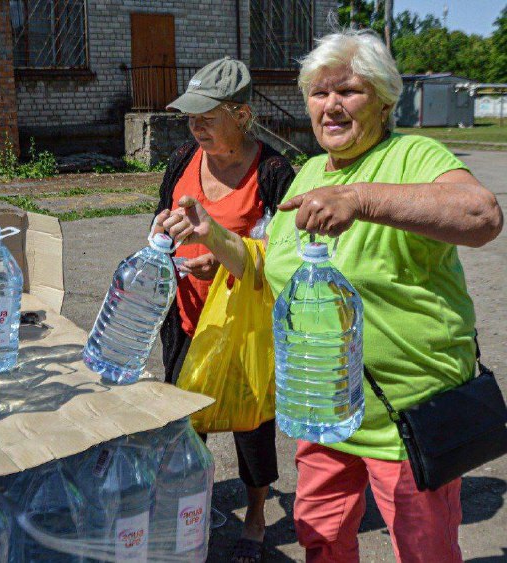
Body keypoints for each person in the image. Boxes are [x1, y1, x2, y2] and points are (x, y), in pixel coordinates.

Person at [160, 30, 503, 563]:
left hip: (407, 415)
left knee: (424, 550)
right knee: (320, 535)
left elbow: (481, 215)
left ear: (383, 100)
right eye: (319, 94)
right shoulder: (311, 173)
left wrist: (359, 198)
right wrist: (214, 235)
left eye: (348, 91)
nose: (331, 105)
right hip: (323, 406)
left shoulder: (414, 155)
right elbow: (269, 263)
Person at [153, 56, 295, 563]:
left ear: (242, 115)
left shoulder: (274, 172)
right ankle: (195, 504)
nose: (196, 127)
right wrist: (159, 236)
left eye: (207, 117)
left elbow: (286, 254)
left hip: (243, 323)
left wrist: (224, 260)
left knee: (250, 423)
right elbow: (160, 216)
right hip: (186, 312)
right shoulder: (182, 158)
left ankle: (255, 519)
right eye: (191, 117)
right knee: (184, 419)